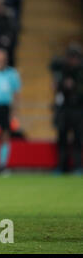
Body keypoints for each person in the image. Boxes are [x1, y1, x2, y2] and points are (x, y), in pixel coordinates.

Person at [50, 45, 83, 174]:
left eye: (75, 57)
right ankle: (61, 166)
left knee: (78, 139)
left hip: (78, 109)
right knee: (62, 138)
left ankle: (78, 166)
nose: (73, 60)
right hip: (64, 110)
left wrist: (74, 86)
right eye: (71, 57)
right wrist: (59, 85)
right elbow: (56, 89)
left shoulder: (81, 73)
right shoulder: (62, 71)